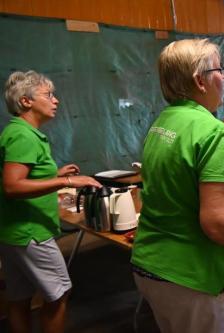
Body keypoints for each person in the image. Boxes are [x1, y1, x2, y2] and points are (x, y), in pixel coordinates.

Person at [130, 39, 224, 333]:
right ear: (200, 80)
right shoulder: (214, 133)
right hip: (193, 276)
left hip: (151, 265)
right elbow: (219, 224)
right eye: (219, 70)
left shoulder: (162, 123)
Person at [0, 70, 102, 333]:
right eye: (49, 95)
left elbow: (22, 175)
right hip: (31, 232)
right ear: (26, 101)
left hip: (13, 231)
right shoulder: (23, 135)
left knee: (19, 296)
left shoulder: (18, 132)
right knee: (59, 294)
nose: (55, 100)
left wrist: (54, 174)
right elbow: (12, 186)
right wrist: (67, 182)